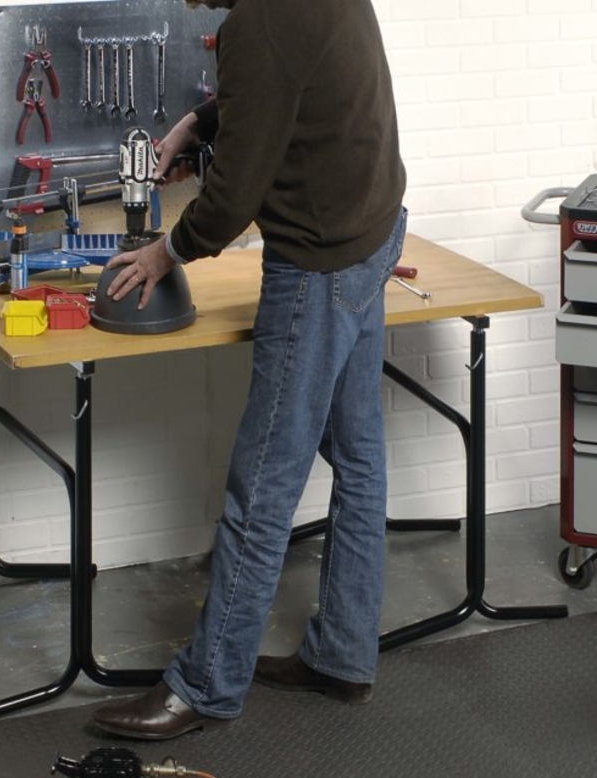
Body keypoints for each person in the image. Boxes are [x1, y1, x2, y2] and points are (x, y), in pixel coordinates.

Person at [91, 0, 407, 740]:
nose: (192, 3)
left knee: (262, 488)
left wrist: (164, 252)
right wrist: (199, 122)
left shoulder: (258, 23)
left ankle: (206, 685)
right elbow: (292, 80)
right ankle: (343, 656)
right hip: (372, 232)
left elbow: (232, 199)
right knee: (358, 459)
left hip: (319, 267)